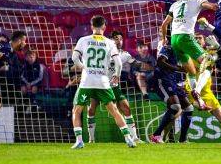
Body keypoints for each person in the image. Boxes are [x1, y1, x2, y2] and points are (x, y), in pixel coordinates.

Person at [71, 15, 136, 149]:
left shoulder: (83, 40)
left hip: (87, 81)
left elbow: (74, 58)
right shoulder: (109, 42)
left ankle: (79, 141)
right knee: (114, 110)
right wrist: (117, 75)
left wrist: (84, 67)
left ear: (91, 26)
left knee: (77, 111)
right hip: (103, 81)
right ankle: (129, 139)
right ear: (104, 27)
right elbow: (118, 62)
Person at [160, 0, 217, 110]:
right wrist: (213, 6)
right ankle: (196, 90)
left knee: (191, 71)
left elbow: (164, 25)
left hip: (174, 39)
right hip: (186, 37)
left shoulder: (175, 4)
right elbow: (207, 5)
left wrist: (164, 39)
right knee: (209, 64)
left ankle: (200, 102)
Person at [87, 35, 142, 143]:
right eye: (116, 39)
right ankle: (91, 139)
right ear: (111, 40)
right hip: (99, 85)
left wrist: (150, 65)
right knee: (91, 109)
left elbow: (137, 64)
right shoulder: (103, 52)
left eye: (121, 39)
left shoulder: (125, 54)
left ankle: (135, 137)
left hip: (114, 87)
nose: (119, 41)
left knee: (126, 108)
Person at [184, 33, 221, 142]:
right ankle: (175, 138)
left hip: (207, 92)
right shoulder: (187, 53)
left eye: (199, 38)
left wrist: (217, 46)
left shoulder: (210, 52)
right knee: (181, 109)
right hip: (191, 90)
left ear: (204, 40)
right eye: (195, 38)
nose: (197, 39)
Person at [149, 44, 194, 143]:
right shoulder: (168, 48)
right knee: (175, 106)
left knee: (189, 108)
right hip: (162, 79)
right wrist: (177, 68)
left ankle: (182, 140)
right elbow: (160, 62)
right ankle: (156, 135)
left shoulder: (183, 51)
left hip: (173, 81)